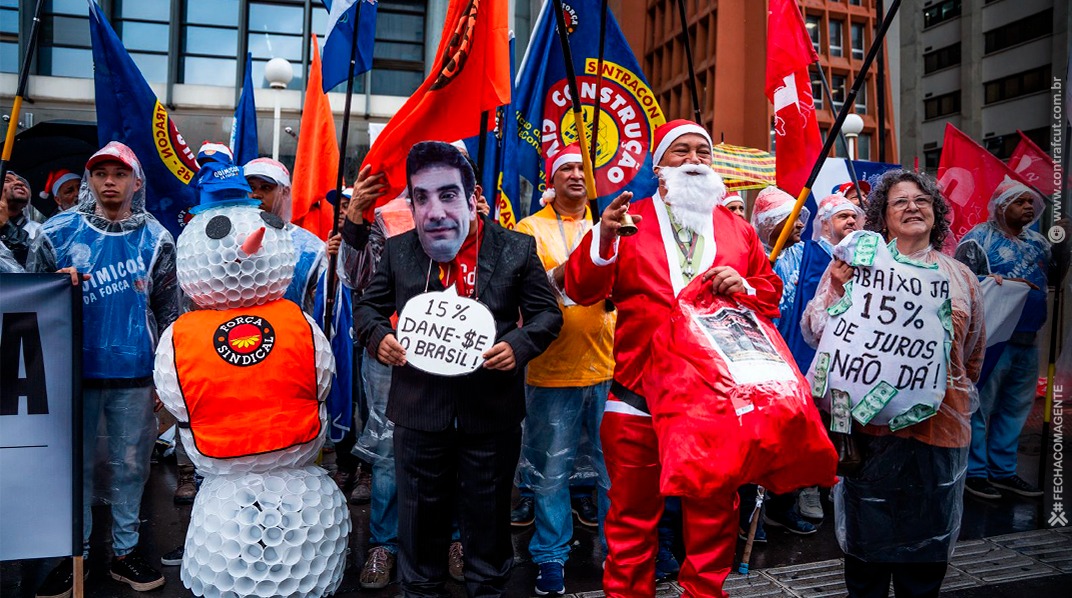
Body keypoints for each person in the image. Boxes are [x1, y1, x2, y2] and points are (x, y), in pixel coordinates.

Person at [565, 119, 782, 597]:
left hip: (715, 402)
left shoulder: (738, 230)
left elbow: (769, 294)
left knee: (711, 524)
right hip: (635, 396)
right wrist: (603, 238)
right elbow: (581, 289)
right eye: (680, 152)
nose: (694, 161)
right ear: (659, 166)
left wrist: (743, 287)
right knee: (629, 526)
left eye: (702, 152)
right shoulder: (628, 219)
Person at [354, 141, 562, 597]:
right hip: (418, 414)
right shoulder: (399, 250)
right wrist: (378, 337)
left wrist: (519, 344)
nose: (433, 211)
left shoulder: (516, 249)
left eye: (447, 195)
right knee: (419, 529)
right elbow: (366, 307)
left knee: (487, 529)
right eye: (420, 197)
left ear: (472, 198)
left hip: (490, 415)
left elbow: (549, 316)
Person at [802, 169, 985, 598]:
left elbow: (973, 355)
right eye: (899, 201)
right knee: (867, 562)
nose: (912, 207)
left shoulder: (959, 276)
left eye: (921, 200)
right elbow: (814, 330)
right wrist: (836, 287)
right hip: (869, 436)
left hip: (938, 436)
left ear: (936, 213)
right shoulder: (856, 266)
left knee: (923, 566)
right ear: (882, 217)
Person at [30, 141, 178, 595]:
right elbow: (28, 305)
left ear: (137, 181)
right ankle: (75, 554)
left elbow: (169, 313)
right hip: (71, 373)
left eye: (119, 173)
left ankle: (125, 551)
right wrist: (50, 288)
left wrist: (164, 375)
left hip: (134, 374)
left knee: (132, 466)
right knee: (74, 468)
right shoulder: (55, 234)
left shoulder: (158, 238)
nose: (108, 181)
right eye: (99, 174)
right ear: (90, 181)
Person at [514, 144, 615, 595]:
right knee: (549, 471)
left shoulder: (607, 225)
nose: (576, 175)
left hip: (611, 366)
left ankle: (622, 552)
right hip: (552, 369)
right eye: (567, 169)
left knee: (614, 469)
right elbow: (532, 293)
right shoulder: (527, 229)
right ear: (550, 182)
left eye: (582, 169)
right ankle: (551, 556)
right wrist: (581, 268)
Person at [954, 176, 1057, 499]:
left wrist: (1064, 245)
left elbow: (1054, 277)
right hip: (993, 339)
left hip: (1029, 337)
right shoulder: (977, 241)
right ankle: (976, 471)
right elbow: (962, 285)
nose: (1028, 207)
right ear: (1001, 206)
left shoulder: (1039, 242)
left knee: (1015, 407)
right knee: (981, 406)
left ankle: (1003, 470)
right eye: (1020, 202)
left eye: (1031, 202)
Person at [243, 157, 326, 314]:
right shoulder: (227, 240)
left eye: (266, 188)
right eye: (251, 187)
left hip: (290, 334)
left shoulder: (311, 249)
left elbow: (325, 308)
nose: (256, 195)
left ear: (284, 192)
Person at [4, 171, 42, 240]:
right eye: (7, 180)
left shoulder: (39, 232)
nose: (20, 183)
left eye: (23, 182)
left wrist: (6, 226)